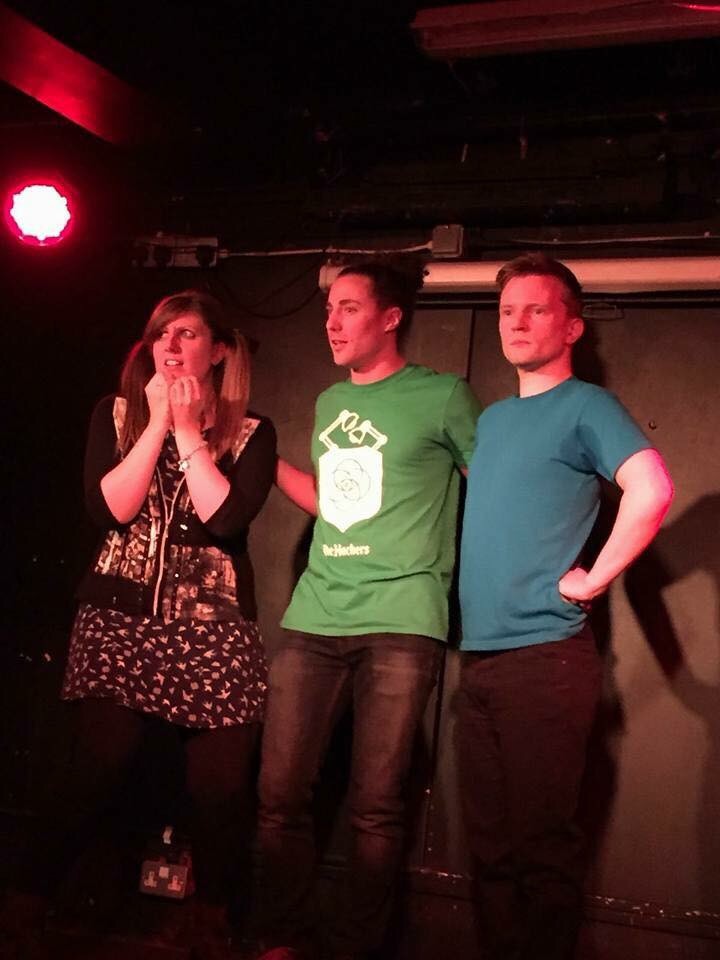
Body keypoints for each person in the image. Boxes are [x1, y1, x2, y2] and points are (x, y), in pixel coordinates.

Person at [8, 290, 276, 960]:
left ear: (219, 350)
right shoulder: (117, 413)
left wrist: (189, 431)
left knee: (220, 789)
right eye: (161, 334)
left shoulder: (252, 432)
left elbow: (224, 518)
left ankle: (211, 925)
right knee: (98, 765)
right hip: (119, 617)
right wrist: (157, 423)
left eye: (188, 334)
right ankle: (23, 906)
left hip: (212, 628)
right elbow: (110, 512)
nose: (171, 346)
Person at [255, 260, 481, 960]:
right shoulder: (330, 402)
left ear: (390, 318)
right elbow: (337, 502)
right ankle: (282, 940)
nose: (332, 321)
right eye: (329, 308)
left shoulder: (443, 396)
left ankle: (356, 949)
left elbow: (492, 486)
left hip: (401, 620)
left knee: (376, 806)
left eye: (349, 307)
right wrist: (262, 458)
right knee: (278, 797)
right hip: (316, 615)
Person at [456, 253, 674, 960]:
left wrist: (595, 577)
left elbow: (653, 488)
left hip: (544, 658)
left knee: (540, 849)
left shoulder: (587, 406)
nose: (516, 322)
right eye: (506, 311)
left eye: (536, 309)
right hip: (480, 659)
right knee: (489, 852)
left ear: (573, 326)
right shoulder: (493, 421)